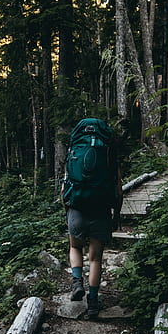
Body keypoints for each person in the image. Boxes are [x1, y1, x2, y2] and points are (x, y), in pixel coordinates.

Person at [61, 118, 124, 318]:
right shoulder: (108, 155)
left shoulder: (74, 154)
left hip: (77, 208)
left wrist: (67, 211)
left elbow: (64, 189)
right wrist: (116, 215)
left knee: (74, 246)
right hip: (101, 209)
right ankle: (94, 302)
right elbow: (119, 191)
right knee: (96, 258)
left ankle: (77, 283)